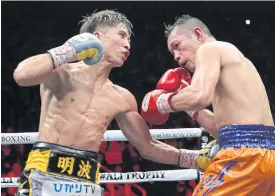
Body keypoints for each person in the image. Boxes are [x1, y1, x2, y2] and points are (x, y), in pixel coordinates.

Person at [13, 10, 215, 196]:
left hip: (86, 180)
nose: (128, 44)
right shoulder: (61, 73)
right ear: (96, 37)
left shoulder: (121, 97)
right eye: (121, 35)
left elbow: (148, 146)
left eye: (128, 38)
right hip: (44, 173)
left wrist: (196, 159)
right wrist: (68, 51)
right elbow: (21, 75)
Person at [141, 14, 275, 195]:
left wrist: (162, 102)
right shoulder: (236, 61)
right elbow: (222, 129)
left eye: (177, 46)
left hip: (243, 158)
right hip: (267, 157)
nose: (178, 58)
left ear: (198, 34)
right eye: (173, 53)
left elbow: (199, 96)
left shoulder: (210, 49)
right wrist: (189, 107)